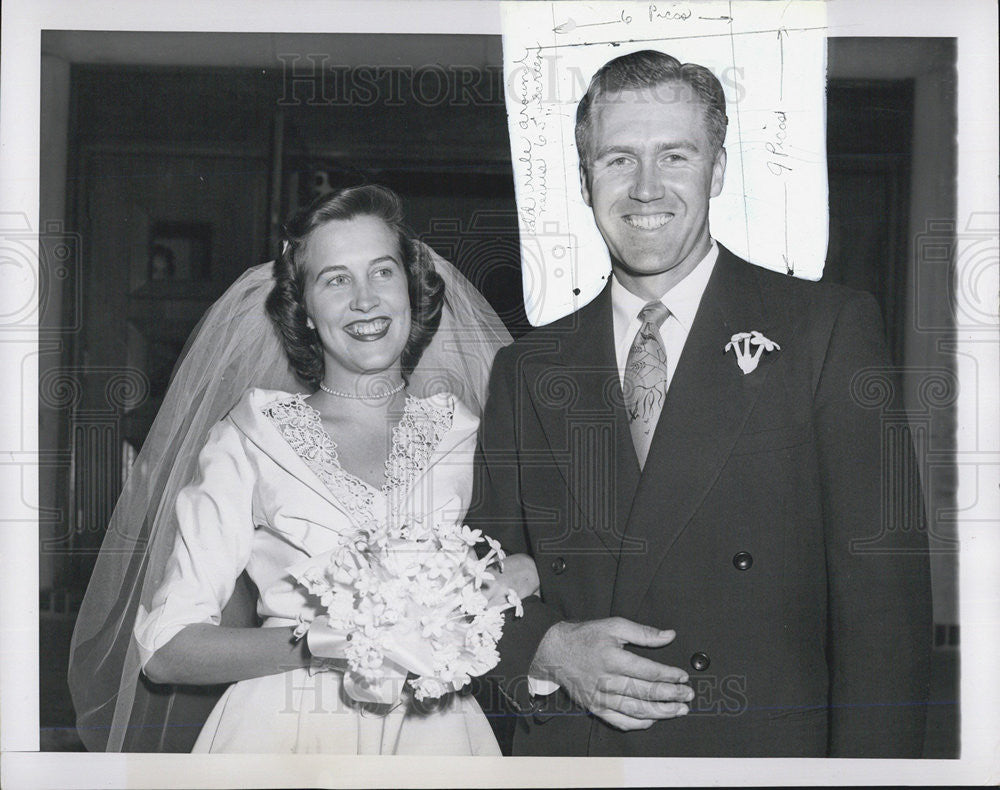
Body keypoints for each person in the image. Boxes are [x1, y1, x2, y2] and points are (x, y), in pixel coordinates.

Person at [469, 50, 932, 757]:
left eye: (675, 156)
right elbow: (475, 576)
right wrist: (548, 649)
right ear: (583, 176)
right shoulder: (528, 367)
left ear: (716, 171)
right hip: (576, 757)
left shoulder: (825, 330)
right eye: (619, 158)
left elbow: (885, 614)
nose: (646, 189)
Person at [69, 184, 537, 753]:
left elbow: (530, 576)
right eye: (335, 279)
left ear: (412, 292)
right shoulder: (252, 436)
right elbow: (167, 650)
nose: (365, 299)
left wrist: (517, 579)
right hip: (281, 735)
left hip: (435, 736)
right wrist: (325, 640)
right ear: (306, 312)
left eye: (382, 272)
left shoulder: (472, 434)